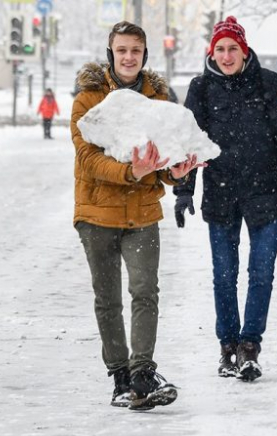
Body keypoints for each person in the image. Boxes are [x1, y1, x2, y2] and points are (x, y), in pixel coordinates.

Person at [71, 21, 202, 410]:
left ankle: (143, 371)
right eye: (122, 50)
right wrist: (132, 171)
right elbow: (89, 158)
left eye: (136, 51)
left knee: (145, 292)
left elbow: (164, 155)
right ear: (111, 53)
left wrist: (173, 173)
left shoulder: (158, 98)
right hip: (96, 214)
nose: (129, 57)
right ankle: (119, 376)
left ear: (145, 55)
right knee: (107, 298)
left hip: (143, 212)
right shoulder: (88, 100)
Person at [174, 16, 277, 382]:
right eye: (220, 49)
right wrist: (184, 190)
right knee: (224, 275)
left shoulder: (268, 83)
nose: (227, 55)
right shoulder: (200, 89)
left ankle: (250, 347)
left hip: (266, 193)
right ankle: (227, 348)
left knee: (261, 274)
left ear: (244, 50)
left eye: (233, 48)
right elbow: (188, 142)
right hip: (221, 194)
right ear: (211, 52)